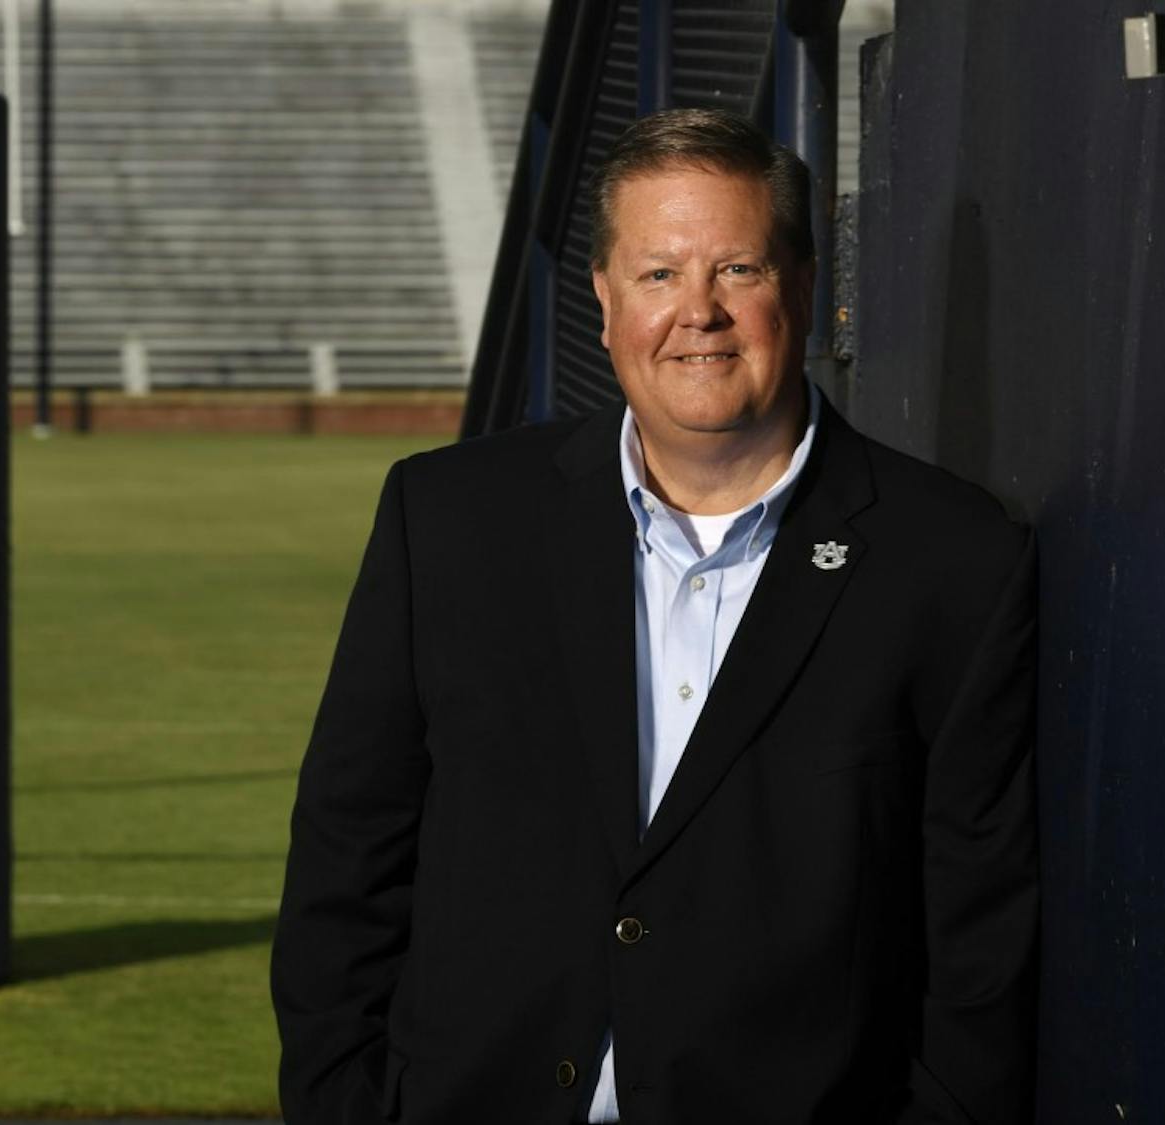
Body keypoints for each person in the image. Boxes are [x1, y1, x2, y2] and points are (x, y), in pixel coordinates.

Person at [271, 108, 1038, 1124]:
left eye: (740, 271)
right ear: (603, 300)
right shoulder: (449, 520)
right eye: (659, 274)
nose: (700, 313)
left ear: (806, 289)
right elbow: (348, 850)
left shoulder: (952, 559)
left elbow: (978, 934)